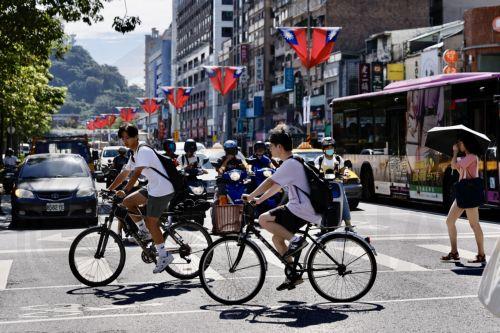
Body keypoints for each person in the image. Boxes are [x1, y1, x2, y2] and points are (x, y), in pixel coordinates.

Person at [243, 124, 322, 291]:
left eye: (271, 146)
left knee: (263, 220)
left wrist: (250, 196)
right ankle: (293, 275)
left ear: (279, 147)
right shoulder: (292, 163)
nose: (269, 149)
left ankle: (296, 240)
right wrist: (259, 200)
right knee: (277, 238)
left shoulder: (290, 164)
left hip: (301, 209)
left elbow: (270, 181)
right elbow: (277, 186)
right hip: (300, 208)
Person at [108, 124, 175, 273]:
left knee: (152, 222)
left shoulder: (143, 150)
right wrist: (110, 189)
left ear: (136, 137)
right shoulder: (133, 153)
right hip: (153, 187)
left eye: (128, 137)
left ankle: (164, 255)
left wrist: (124, 190)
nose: (125, 141)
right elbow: (124, 173)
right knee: (127, 202)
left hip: (163, 189)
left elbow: (136, 173)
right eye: (123, 138)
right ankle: (145, 231)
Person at [441, 136, 486, 263]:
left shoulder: (472, 157)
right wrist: (456, 154)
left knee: (474, 224)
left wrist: (454, 152)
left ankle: (481, 254)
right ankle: (454, 251)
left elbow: (453, 165)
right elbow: (455, 166)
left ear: (466, 144)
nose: (459, 145)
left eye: (460, 143)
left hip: (469, 193)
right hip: (463, 193)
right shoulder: (466, 157)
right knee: (450, 221)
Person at [314, 137, 353, 229]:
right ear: (323, 149)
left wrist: (346, 174)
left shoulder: (339, 159)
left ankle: (348, 224)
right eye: (327, 147)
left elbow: (344, 170)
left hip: (337, 184)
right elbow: (316, 170)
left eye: (331, 147)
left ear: (334, 148)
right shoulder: (319, 160)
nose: (329, 149)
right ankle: (321, 224)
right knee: (321, 203)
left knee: (344, 202)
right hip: (324, 185)